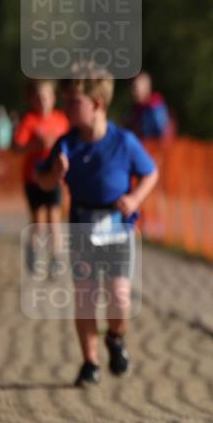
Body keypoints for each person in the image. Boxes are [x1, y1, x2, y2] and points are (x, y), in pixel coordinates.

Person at [37, 63, 160, 387]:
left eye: (73, 101)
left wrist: (134, 199)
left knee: (120, 297)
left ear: (97, 104)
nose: (66, 108)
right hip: (81, 224)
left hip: (118, 226)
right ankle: (89, 362)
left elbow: (151, 172)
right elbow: (42, 178)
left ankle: (116, 339)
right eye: (64, 100)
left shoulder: (124, 141)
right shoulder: (66, 144)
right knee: (86, 297)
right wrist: (54, 174)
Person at [13, 80, 70, 277]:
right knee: (38, 221)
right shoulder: (29, 120)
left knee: (54, 218)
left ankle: (56, 258)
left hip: (54, 177)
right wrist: (35, 146)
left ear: (53, 98)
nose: (42, 101)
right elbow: (17, 147)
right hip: (33, 179)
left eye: (46, 97)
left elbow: (69, 145)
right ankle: (33, 250)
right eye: (38, 97)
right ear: (32, 99)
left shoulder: (61, 120)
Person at [126, 71, 172, 140]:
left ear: (146, 87)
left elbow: (161, 134)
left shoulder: (155, 108)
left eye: (135, 87)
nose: (133, 92)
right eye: (132, 87)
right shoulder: (136, 108)